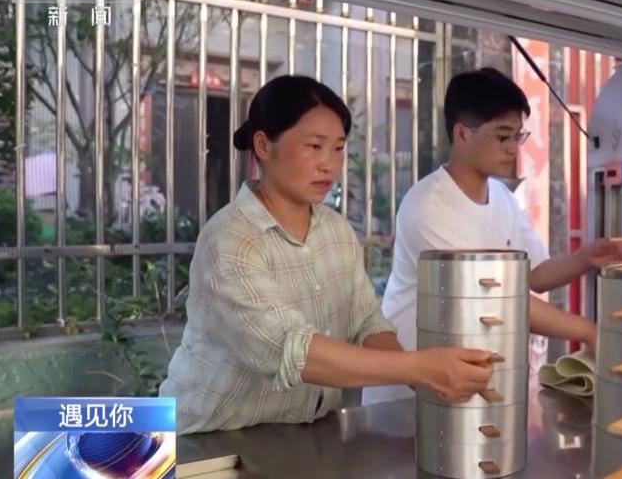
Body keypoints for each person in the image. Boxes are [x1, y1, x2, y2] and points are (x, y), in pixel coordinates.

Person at [161, 75, 495, 433]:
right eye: (314, 146)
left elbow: (367, 323)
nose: (329, 165)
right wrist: (420, 367)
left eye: (337, 148)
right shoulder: (230, 239)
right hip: (205, 439)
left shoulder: (336, 231)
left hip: (300, 436)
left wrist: (426, 378)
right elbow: (292, 350)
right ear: (263, 145)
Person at [361, 68, 622, 406]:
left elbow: (536, 275)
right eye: (502, 137)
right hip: (406, 392)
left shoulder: (502, 197)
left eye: (517, 137)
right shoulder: (429, 206)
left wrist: (585, 258)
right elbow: (492, 299)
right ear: (462, 134)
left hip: (463, 381)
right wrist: (587, 331)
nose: (513, 149)